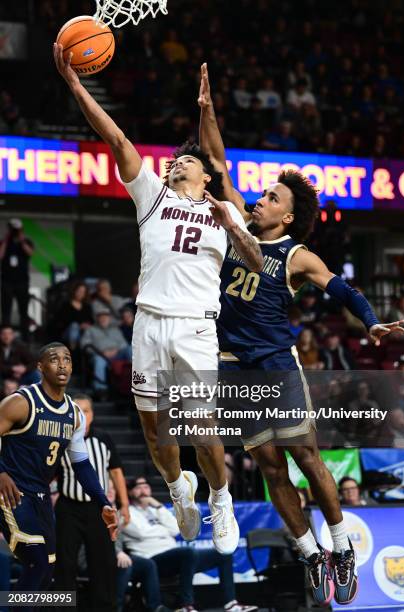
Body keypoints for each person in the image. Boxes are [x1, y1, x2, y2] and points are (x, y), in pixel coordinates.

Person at [198, 62, 404, 607]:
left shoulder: (296, 255)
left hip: (275, 364)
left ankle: (339, 545)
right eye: (263, 194)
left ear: (287, 220)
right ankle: (309, 550)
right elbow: (217, 162)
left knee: (307, 460)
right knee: (269, 470)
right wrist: (207, 112)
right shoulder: (239, 224)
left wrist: (372, 321)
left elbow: (343, 292)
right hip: (234, 367)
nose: (261, 199)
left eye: (272, 198)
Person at [54, 43, 263, 555]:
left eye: (183, 161)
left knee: (202, 430)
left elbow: (257, 261)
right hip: (148, 324)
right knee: (154, 434)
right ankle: (178, 491)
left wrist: (230, 229)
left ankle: (220, 500)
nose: (173, 164)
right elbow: (116, 136)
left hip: (195, 326)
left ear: (204, 173)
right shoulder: (152, 194)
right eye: (172, 161)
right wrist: (77, 85)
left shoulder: (226, 208)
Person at [0, 342, 117, 606]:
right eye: (54, 359)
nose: (62, 364)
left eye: (67, 359)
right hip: (12, 491)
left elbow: (82, 466)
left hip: (41, 497)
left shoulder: (75, 414)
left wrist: (103, 502)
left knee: (46, 573)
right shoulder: (20, 402)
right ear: (40, 367)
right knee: (38, 563)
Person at [116, 477, 257, 612]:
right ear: (129, 492)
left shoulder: (156, 509)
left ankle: (231, 604)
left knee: (223, 554)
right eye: (138, 487)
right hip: (152, 560)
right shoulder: (125, 513)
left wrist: (158, 506)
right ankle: (186, 605)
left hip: (175, 556)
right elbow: (142, 533)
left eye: (146, 487)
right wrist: (163, 530)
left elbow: (175, 529)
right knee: (187, 553)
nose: (143, 491)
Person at [54, 393, 129, 612]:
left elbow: (116, 471)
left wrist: (124, 504)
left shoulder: (103, 439)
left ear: (93, 414)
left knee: (103, 564)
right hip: (68, 507)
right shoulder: (60, 439)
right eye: (77, 410)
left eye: (85, 410)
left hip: (99, 510)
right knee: (64, 565)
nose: (82, 415)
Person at [80, 310, 132, 396]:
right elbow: (84, 345)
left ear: (109, 318)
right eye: (101, 316)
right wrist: (100, 353)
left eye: (106, 316)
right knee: (98, 360)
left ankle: (135, 381)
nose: (103, 318)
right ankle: (101, 390)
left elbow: (124, 344)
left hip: (117, 354)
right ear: (97, 318)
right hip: (100, 355)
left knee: (129, 349)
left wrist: (115, 351)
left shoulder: (115, 330)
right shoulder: (90, 329)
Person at [0, 219, 34, 338]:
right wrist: (6, 239)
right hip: (6, 281)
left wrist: (22, 240)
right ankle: (5, 335)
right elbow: (1, 255)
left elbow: (30, 253)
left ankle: (25, 336)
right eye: (12, 229)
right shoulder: (4, 242)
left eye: (16, 230)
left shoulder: (26, 241)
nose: (14, 232)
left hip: (22, 282)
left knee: (23, 311)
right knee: (6, 310)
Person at [56, 280, 93, 350]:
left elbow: (91, 320)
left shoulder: (87, 307)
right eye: (79, 291)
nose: (81, 294)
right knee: (74, 326)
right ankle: (73, 350)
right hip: (68, 333)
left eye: (83, 292)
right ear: (74, 291)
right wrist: (80, 325)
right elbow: (62, 321)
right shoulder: (66, 305)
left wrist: (87, 325)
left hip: (84, 333)